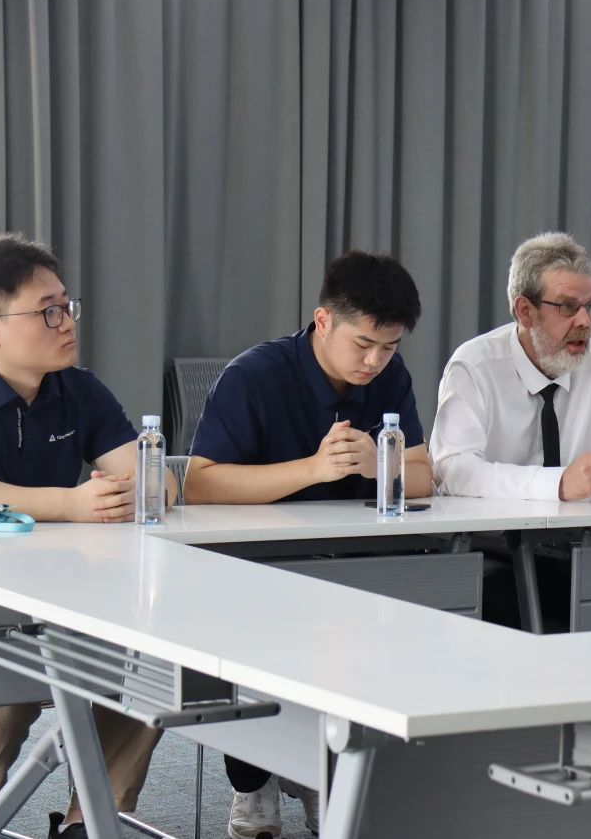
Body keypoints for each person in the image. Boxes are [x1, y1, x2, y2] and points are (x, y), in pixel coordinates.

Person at [183, 249, 432, 839]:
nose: (375, 361)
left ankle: (325, 773)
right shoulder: (254, 376)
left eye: (389, 347)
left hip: (355, 559)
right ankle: (254, 782)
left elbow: (425, 475)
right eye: (363, 344)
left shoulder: (391, 376)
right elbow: (199, 483)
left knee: (389, 633)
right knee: (253, 646)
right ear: (323, 321)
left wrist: (378, 464)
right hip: (256, 563)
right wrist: (312, 470)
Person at [0, 235, 167, 839]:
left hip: (63, 590)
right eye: (47, 311)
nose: (67, 322)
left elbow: (145, 477)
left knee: (147, 667)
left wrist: (139, 485)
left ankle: (91, 823)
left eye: (67, 306)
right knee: (3, 700)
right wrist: (68, 504)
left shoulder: (77, 389)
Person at [430, 231, 591, 501]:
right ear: (525, 311)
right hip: (493, 525)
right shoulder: (475, 366)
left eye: (590, 306)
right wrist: (557, 483)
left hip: (582, 525)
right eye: (568, 307)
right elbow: (453, 469)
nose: (585, 322)